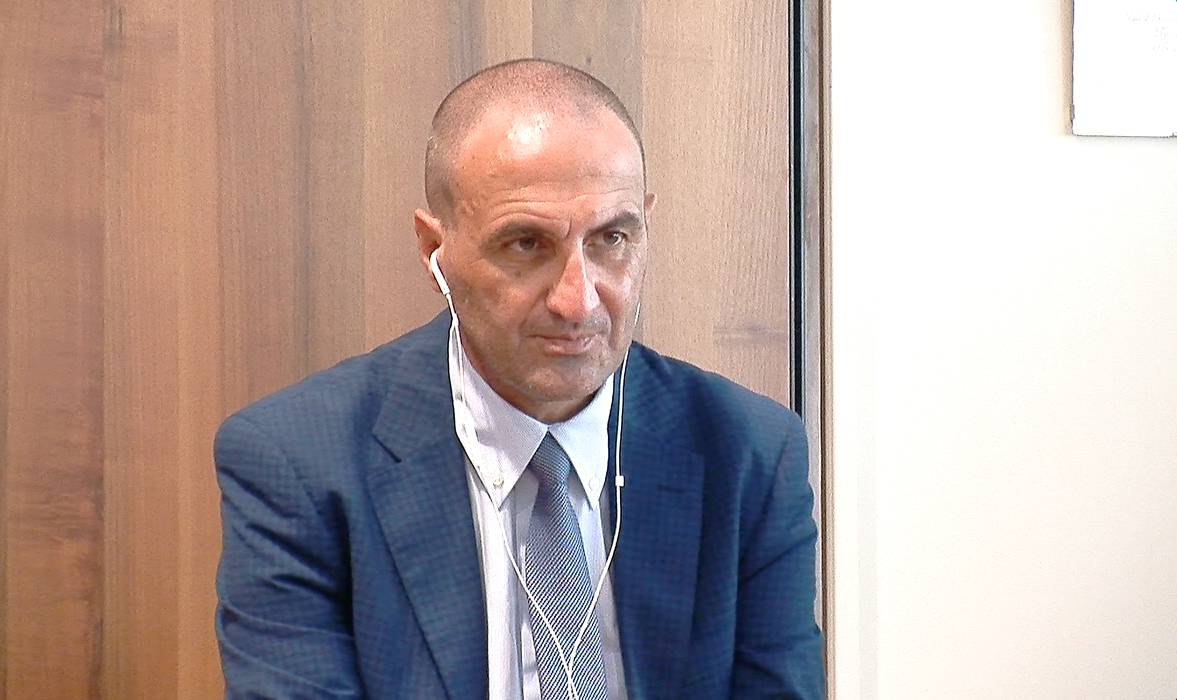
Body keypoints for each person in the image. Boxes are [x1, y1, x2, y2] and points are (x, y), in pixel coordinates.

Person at [214, 58, 824, 700]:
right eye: (526, 244)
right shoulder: (303, 461)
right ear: (434, 249)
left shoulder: (745, 452)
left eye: (612, 238)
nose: (577, 301)